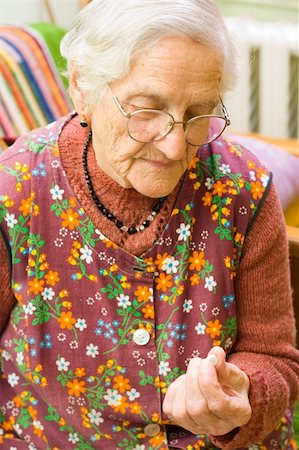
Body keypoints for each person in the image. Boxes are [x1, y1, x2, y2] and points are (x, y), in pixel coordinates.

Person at [0, 0, 298, 448]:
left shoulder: (243, 188)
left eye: (199, 112)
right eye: (147, 109)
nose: (176, 146)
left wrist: (242, 394)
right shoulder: (15, 190)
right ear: (83, 87)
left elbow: (275, 359)